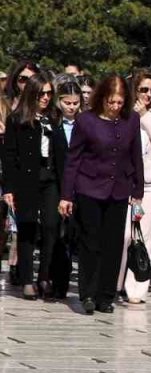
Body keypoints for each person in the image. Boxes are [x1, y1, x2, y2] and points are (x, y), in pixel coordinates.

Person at [59, 75, 144, 315]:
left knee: (114, 244)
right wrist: (67, 195)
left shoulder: (131, 120)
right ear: (102, 99)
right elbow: (73, 159)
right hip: (89, 188)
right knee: (90, 242)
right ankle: (87, 293)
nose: (115, 107)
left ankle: (106, 295)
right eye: (111, 102)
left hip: (119, 189)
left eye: (119, 102)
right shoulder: (86, 121)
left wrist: (138, 190)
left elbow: (135, 155)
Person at [2, 72, 60, 299]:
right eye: (41, 93)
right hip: (26, 177)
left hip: (51, 176)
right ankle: (26, 278)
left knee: (51, 225)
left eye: (48, 93)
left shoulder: (54, 117)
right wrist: (8, 188)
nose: (45, 98)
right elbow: (9, 155)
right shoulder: (17, 119)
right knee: (26, 227)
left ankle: (44, 275)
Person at [116, 70, 151, 304]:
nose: (148, 94)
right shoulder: (123, 112)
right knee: (125, 234)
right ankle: (115, 282)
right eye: (143, 90)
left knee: (144, 234)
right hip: (126, 179)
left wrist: (144, 116)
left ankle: (137, 288)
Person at [47, 78, 81, 299]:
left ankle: (70, 280)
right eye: (67, 102)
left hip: (80, 186)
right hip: (56, 184)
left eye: (75, 103)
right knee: (56, 234)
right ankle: (55, 280)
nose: (71, 107)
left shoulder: (85, 123)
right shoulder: (53, 125)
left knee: (74, 236)